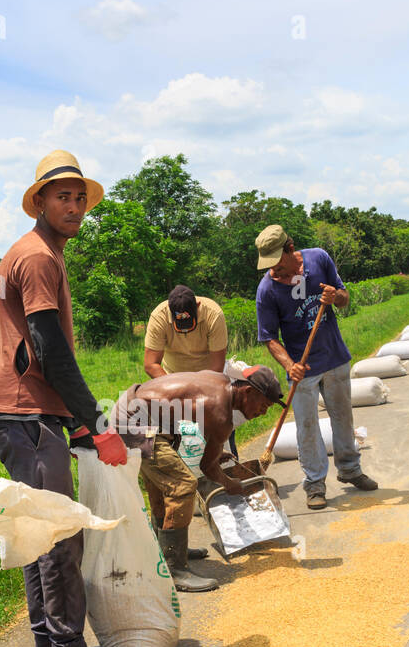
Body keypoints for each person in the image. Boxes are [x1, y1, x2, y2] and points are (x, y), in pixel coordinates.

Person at [0, 150, 136, 647]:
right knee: (59, 533)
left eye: (78, 198)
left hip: (22, 410)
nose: (73, 206)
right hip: (25, 412)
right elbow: (48, 347)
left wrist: (70, 419)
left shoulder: (27, 253)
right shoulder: (39, 257)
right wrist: (94, 422)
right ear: (38, 202)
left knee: (35, 530)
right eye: (61, 197)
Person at [116, 365, 283, 590]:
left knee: (164, 483)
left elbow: (192, 411)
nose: (263, 412)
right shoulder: (222, 413)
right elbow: (208, 467)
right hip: (136, 424)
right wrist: (230, 484)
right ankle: (175, 570)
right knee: (183, 485)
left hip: (133, 412)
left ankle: (165, 552)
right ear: (248, 392)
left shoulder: (219, 382)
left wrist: (214, 449)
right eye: (263, 405)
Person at [254, 225, 377, 509]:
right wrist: (290, 364)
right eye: (268, 265)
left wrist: (335, 297)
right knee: (306, 428)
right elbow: (269, 338)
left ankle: (350, 470)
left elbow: (345, 299)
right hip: (302, 369)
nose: (274, 270)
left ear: (289, 248)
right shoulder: (267, 289)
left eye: (277, 262)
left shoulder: (319, 259)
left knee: (343, 418)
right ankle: (314, 484)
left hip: (334, 356)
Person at [142, 286, 231, 568]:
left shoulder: (213, 314)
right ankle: (173, 563)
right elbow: (150, 363)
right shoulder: (159, 316)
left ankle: (222, 528)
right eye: (178, 325)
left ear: (196, 312)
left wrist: (199, 401)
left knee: (212, 452)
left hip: (206, 384)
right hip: (168, 387)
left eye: (188, 324)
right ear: (170, 316)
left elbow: (217, 368)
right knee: (181, 480)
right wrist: (177, 391)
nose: (182, 330)